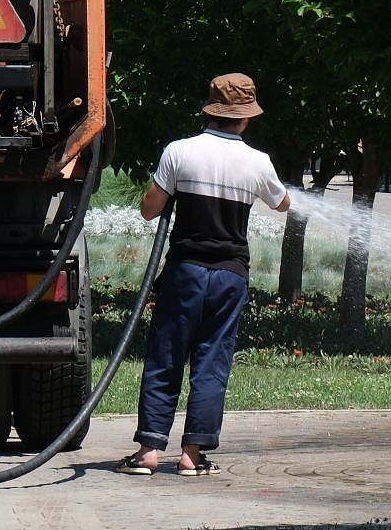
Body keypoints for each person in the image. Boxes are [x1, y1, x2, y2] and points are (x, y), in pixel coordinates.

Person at [117, 73, 290, 477]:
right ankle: (192, 457)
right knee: (212, 361)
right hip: (230, 275)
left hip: (185, 272)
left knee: (166, 356)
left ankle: (147, 453)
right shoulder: (258, 162)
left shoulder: (179, 152)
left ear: (210, 109)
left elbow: (149, 208)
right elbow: (282, 204)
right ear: (246, 118)